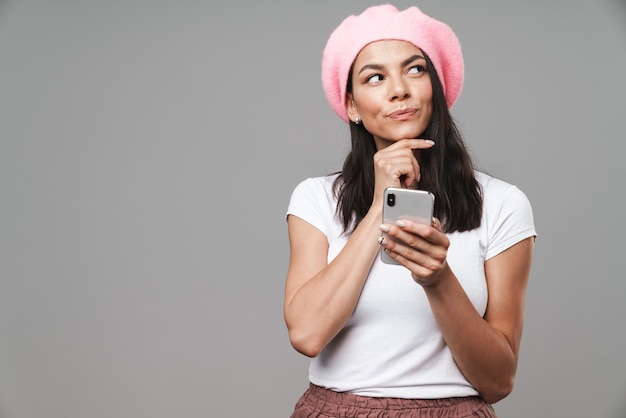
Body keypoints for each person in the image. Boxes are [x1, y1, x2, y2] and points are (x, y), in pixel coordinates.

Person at [283, 4, 536, 418]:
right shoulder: (316, 199)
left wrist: (437, 279)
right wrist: (377, 208)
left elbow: (498, 381)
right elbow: (307, 334)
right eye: (375, 77)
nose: (398, 89)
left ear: (436, 86)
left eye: (415, 69)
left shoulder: (503, 204)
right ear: (351, 105)